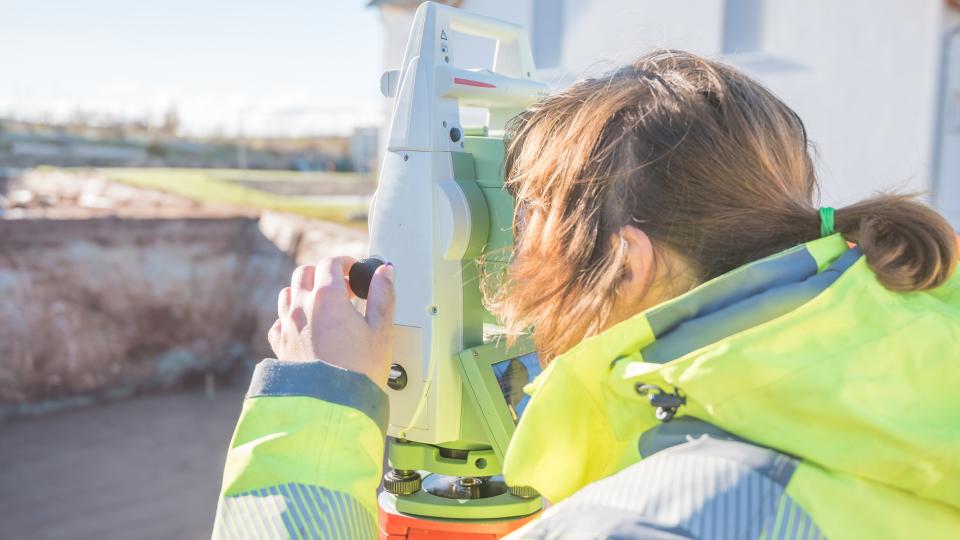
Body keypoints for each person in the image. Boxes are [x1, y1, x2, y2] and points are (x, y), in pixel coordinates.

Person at [212, 50, 960, 539]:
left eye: (529, 220)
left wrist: (314, 407)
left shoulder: (655, 517)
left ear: (625, 265)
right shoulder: (912, 367)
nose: (509, 257)